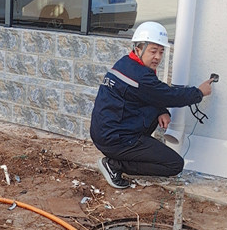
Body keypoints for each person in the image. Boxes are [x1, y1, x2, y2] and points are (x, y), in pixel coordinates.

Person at [90, 21, 214, 190]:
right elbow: (168, 95)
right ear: (138, 49)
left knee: (156, 113)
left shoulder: (126, 63)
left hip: (106, 132)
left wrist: (161, 110)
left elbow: (148, 94)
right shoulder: (140, 76)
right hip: (116, 140)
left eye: (161, 52)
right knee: (174, 165)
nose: (157, 57)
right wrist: (199, 92)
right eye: (153, 51)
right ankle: (115, 165)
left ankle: (128, 155)